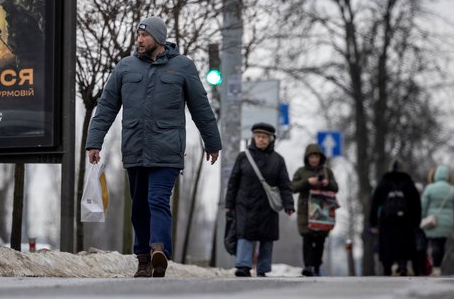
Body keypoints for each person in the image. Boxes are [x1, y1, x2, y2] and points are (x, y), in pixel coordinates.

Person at [85, 16, 221, 278]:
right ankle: (144, 258)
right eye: (138, 35)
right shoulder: (125, 67)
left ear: (158, 38)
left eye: (144, 35)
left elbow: (201, 107)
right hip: (135, 148)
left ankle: (159, 249)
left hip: (167, 150)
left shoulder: (182, 67)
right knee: (139, 207)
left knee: (157, 199)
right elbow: (106, 107)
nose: (139, 40)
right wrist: (94, 141)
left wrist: (212, 142)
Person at [224, 122, 295, 277]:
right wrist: (229, 204)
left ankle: (263, 268)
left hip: (267, 206)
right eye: (258, 136)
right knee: (244, 233)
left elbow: (285, 184)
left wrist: (288, 204)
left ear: (271, 139)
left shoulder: (278, 160)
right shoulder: (243, 157)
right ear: (253, 138)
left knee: (266, 237)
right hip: (245, 204)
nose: (261, 139)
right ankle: (243, 266)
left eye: (264, 137)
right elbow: (233, 182)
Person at [291, 143, 339, 276]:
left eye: (316, 156)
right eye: (311, 156)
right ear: (307, 157)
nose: (314, 159)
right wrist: (308, 182)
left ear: (320, 157)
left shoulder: (327, 172)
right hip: (305, 211)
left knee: (320, 240)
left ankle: (317, 265)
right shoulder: (301, 172)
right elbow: (292, 187)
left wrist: (327, 183)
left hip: (322, 211)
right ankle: (308, 266)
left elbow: (336, 188)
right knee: (307, 238)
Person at [369, 161, 421, 276]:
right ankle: (403, 266)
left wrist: (373, 222)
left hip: (387, 220)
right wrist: (416, 222)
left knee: (387, 244)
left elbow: (375, 203)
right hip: (406, 220)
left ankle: (387, 268)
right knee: (404, 243)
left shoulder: (384, 182)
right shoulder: (408, 183)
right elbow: (416, 203)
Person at [421, 165, 454, 276]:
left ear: (436, 175)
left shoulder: (430, 188)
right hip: (447, 222)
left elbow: (423, 205)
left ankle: (435, 266)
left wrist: (422, 217)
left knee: (434, 243)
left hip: (432, 220)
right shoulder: (452, 189)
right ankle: (437, 266)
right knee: (441, 244)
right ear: (447, 176)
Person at [0, 0, 44, 68]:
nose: (2, 7)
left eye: (4, 4)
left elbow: (35, 46)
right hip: (24, 63)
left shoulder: (22, 18)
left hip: (31, 66)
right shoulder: (12, 16)